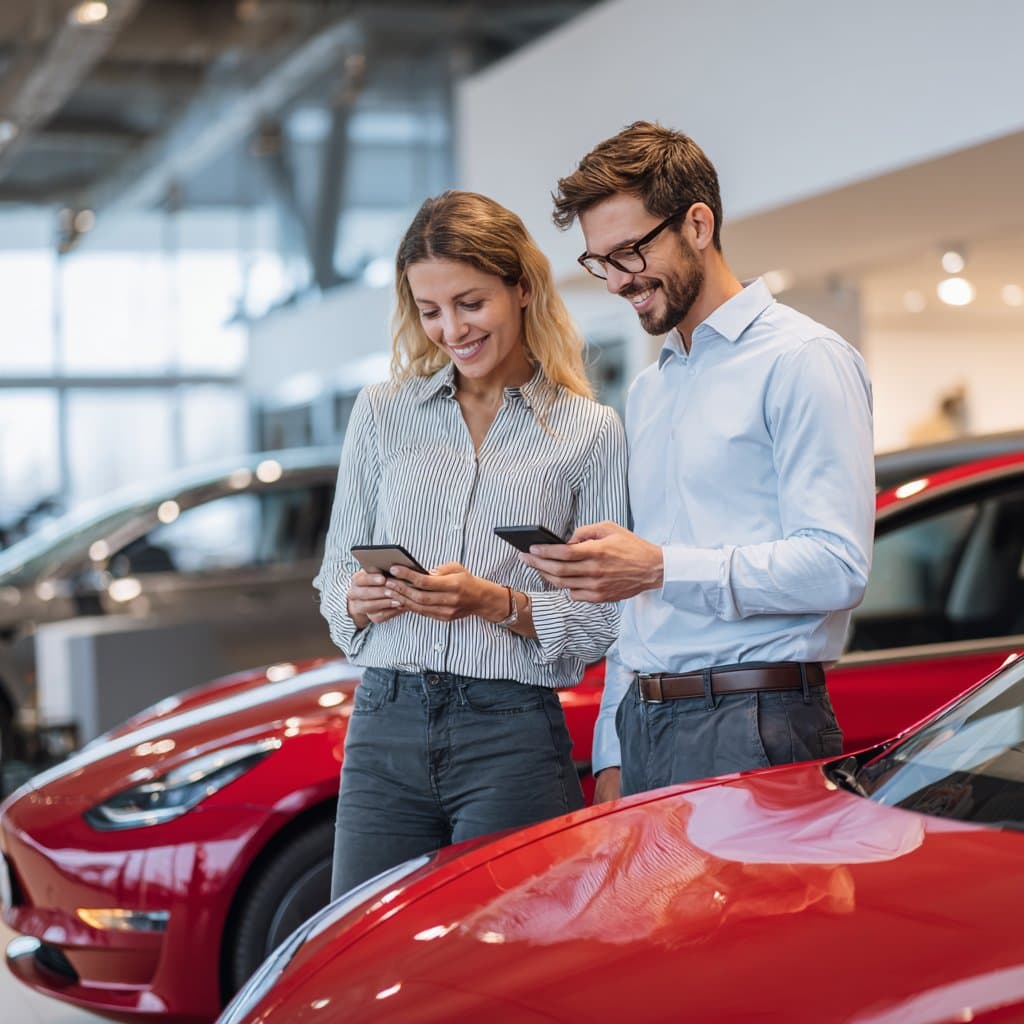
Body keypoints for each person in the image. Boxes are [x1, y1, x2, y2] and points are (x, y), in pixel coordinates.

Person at [521, 121, 875, 802]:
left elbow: (837, 566)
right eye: (602, 262)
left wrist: (658, 565)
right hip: (645, 723)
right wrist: (612, 751)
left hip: (756, 720)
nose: (618, 282)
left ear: (699, 224)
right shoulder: (653, 388)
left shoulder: (802, 360)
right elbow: (641, 603)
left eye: (629, 252)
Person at [314, 190, 628, 896]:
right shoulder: (381, 413)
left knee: (514, 956)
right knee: (363, 957)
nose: (450, 329)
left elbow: (606, 619)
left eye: (469, 303)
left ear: (521, 287)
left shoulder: (590, 432)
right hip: (385, 724)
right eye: (429, 311)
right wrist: (358, 599)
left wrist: (497, 603)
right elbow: (334, 574)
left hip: (511, 735)